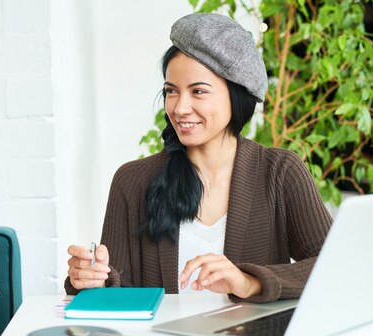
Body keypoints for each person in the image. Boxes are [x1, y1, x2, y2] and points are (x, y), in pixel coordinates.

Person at [65, 13, 332, 303]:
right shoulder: (131, 181)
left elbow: (335, 265)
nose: (180, 108)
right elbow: (115, 293)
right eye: (171, 91)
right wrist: (92, 280)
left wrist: (249, 282)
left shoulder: (280, 173)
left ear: (236, 95)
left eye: (199, 92)